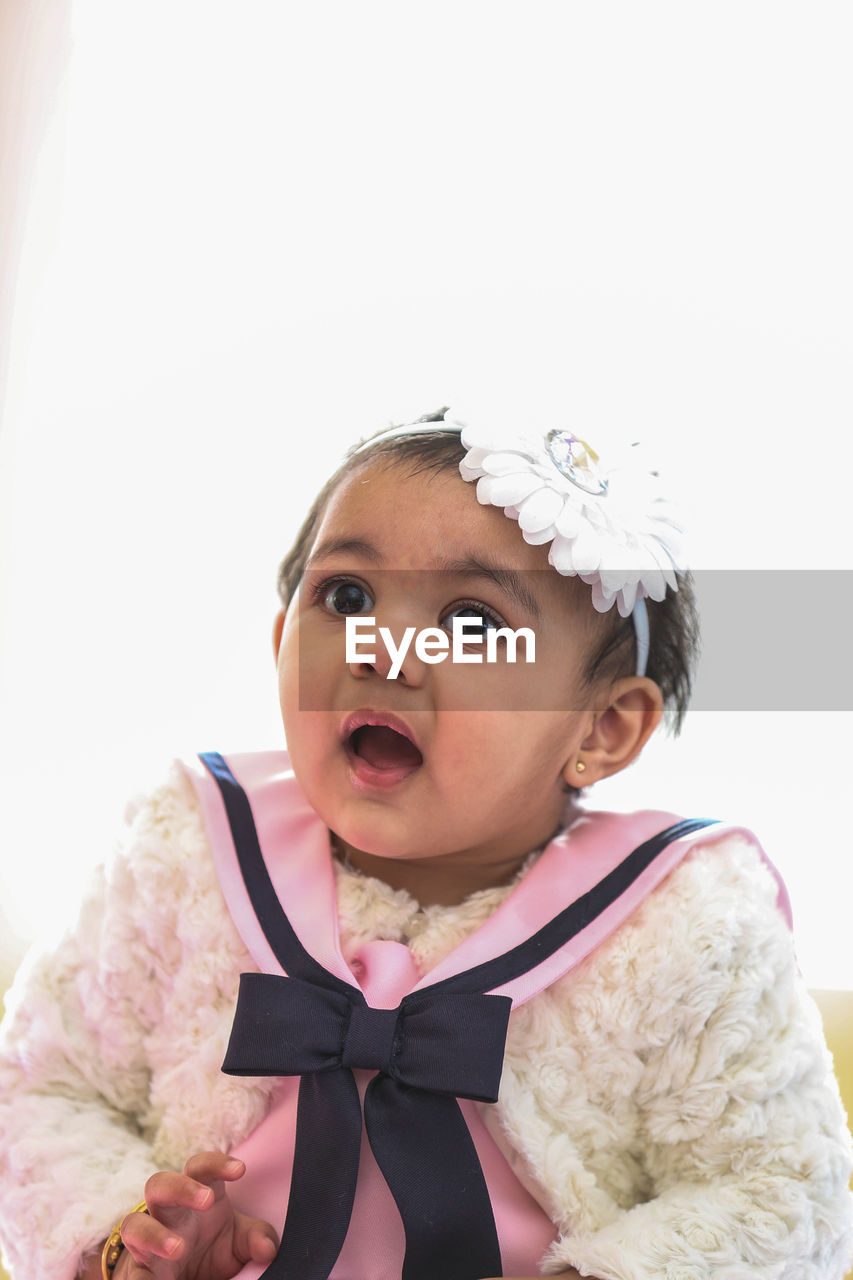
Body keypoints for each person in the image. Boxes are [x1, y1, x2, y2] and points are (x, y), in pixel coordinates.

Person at [1, 409, 851, 1280]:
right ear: (280, 643)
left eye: (474, 622)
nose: (383, 652)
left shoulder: (684, 925)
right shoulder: (185, 853)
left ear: (599, 725)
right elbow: (38, 1087)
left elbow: (783, 1194)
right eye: (348, 597)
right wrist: (126, 1236)